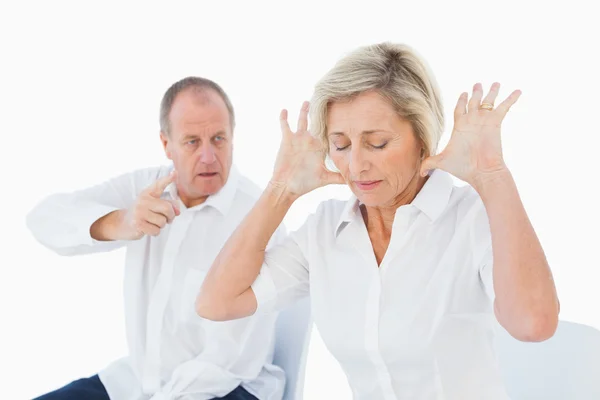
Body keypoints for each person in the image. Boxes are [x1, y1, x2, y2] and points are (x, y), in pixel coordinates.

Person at [196, 43, 561, 399]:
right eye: (340, 145)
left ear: (422, 137)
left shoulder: (470, 218)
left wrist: (493, 177)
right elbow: (216, 303)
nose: (356, 165)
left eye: (377, 143)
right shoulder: (324, 232)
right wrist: (281, 190)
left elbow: (533, 324)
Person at [26, 77, 287, 400]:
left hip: (228, 387)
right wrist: (120, 222)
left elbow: (230, 359)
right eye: (192, 141)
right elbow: (44, 218)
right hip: (139, 382)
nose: (208, 156)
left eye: (218, 139)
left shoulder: (259, 217)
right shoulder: (147, 188)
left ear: (233, 138)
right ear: (167, 145)